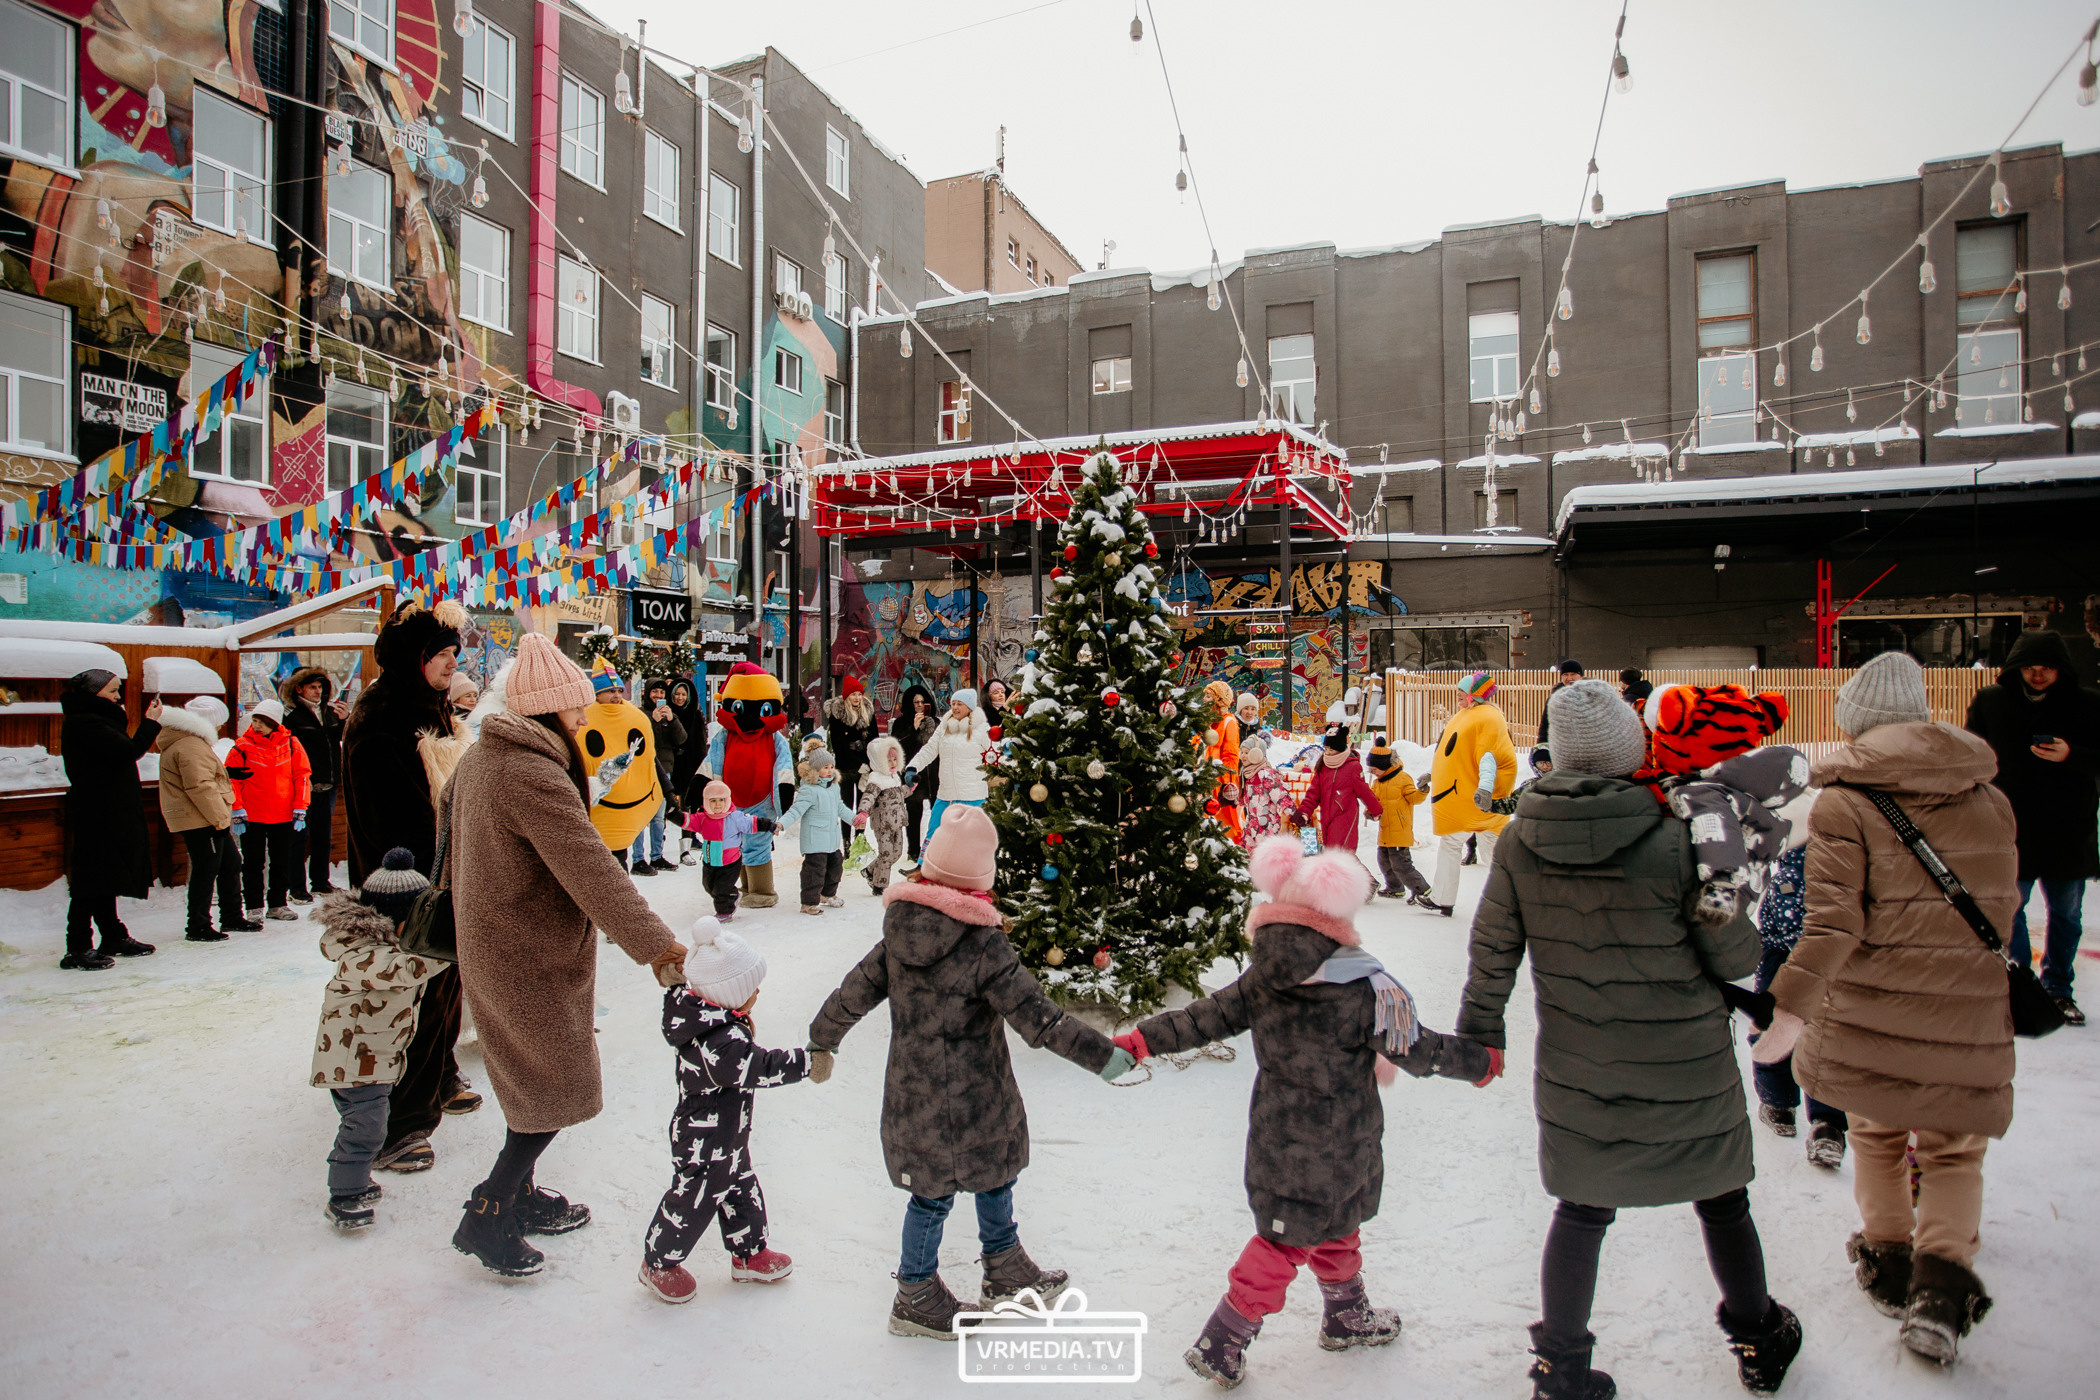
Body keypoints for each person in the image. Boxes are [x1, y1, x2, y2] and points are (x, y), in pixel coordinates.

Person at [1457, 679, 1800, 1399]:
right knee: (1723, 1200)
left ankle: (1561, 1368)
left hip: (1580, 1065)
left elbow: (1493, 947)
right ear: (1630, 750)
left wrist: (1480, 1032)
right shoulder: (1678, 835)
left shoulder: (1519, 840)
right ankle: (1759, 1338)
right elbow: (1734, 956)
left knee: (1582, 1210)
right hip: (1689, 1065)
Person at [1119, 837, 1490, 1387]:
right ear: (1333, 916)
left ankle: (1345, 1314)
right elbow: (1416, 1048)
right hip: (1341, 1137)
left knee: (1332, 1223)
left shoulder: (1263, 978)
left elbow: (1202, 1018)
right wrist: (1477, 1060)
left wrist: (1144, 1039)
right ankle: (1224, 1337)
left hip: (1277, 1131)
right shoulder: (1360, 987)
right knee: (1286, 1240)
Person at [1758, 651, 2017, 1366]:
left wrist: (1788, 1013)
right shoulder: (1990, 798)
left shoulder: (1845, 802)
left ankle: (1890, 1262)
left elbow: (1832, 926)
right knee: (1954, 1151)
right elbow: (2004, 906)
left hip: (1875, 1008)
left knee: (1876, 1135)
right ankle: (1941, 1291)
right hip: (1968, 1009)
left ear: (1858, 724)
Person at [808, 806, 1135, 1339]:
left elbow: (854, 991)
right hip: (977, 1091)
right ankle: (914, 1291)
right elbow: (1039, 1018)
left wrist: (823, 1037)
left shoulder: (900, 930)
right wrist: (1102, 1054)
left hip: (915, 1093)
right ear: (982, 877)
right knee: (962, 1183)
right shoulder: (984, 942)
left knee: (959, 1181)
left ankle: (1003, 1264)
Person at [445, 632, 688, 1278]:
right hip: (525, 951)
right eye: (575, 710)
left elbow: (448, 821)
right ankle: (490, 1212)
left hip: (499, 938)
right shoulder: (529, 770)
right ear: (547, 710)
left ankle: (519, 1195)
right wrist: (658, 946)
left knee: (531, 1080)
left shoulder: (483, 758)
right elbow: (591, 869)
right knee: (555, 1083)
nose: (584, 721)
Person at [342, 599, 475, 1171]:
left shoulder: (432, 709)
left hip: (445, 876)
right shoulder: (383, 718)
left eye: (452, 654)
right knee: (412, 997)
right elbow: (390, 823)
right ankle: (400, 1126)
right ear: (411, 659)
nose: (451, 665)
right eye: (441, 655)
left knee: (446, 988)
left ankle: (437, 1076)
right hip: (405, 885)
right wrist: (413, 891)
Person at [638, 917, 811, 1303]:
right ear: (726, 995)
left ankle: (748, 1254)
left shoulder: (713, 1015)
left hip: (728, 1135)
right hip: (703, 1139)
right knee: (694, 1199)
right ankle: (659, 1261)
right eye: (751, 989)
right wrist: (807, 1062)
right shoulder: (717, 1039)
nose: (757, 994)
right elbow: (758, 1066)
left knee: (741, 1189)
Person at [1963, 629, 2100, 1024]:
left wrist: (2072, 754)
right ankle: (2019, 985)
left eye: (2047, 668)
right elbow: (1972, 751)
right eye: (2030, 667)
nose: (2038, 674)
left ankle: (2058, 989)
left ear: (2062, 670)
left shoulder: (2088, 705)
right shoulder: (1992, 701)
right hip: (2009, 826)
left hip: (2067, 830)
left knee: (2066, 914)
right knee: (2008, 911)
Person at [311, 848, 446, 1231]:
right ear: (395, 920)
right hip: (352, 1061)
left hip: (374, 1058)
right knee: (365, 1127)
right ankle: (344, 1195)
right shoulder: (364, 954)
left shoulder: (387, 945)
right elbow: (411, 969)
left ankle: (356, 1181)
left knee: (370, 1124)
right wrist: (454, 946)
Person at [1745, 814, 1850, 1168]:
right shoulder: (1837, 861)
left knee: (1791, 1032)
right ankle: (1807, 1114)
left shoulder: (1801, 858)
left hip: (1804, 958)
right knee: (1811, 1037)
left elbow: (1785, 916)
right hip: (1814, 958)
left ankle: (1809, 1116)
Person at [56, 670, 161, 968]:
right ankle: (77, 947)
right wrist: (150, 723)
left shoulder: (96, 719)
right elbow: (127, 751)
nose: (118, 697)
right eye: (113, 691)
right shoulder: (86, 722)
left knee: (104, 875)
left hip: (107, 809)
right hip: (97, 811)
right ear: (95, 692)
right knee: (91, 879)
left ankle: (113, 935)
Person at [155, 696, 254, 941]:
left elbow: (201, 776)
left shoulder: (189, 742)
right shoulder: (190, 744)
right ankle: (198, 925)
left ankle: (231, 916)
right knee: (206, 870)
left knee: (230, 864)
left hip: (203, 816)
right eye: (218, 724)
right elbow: (200, 786)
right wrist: (220, 821)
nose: (219, 729)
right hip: (202, 819)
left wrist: (226, 773)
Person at [1425, 671, 1517, 916]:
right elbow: (1453, 755)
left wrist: (1485, 788)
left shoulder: (1486, 717)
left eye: (1462, 693)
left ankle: (1444, 898)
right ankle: (1514, 901)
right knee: (1492, 852)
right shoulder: (1468, 715)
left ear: (1474, 695)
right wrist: (1431, 774)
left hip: (1475, 796)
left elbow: (1488, 756)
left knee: (1461, 845)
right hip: (1471, 795)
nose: (1458, 696)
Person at [229, 700, 312, 923]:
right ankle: (254, 906)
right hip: (251, 816)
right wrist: (237, 808)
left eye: (263, 722)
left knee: (281, 861)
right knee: (253, 862)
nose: (257, 725)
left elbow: (301, 776)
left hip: (283, 815)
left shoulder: (292, 744)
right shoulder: (242, 746)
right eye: (255, 720)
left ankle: (277, 904)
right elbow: (232, 780)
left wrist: (300, 806)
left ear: (274, 723)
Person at [281, 667, 348, 898]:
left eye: (320, 687)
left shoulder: (329, 712)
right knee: (299, 838)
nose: (317, 691)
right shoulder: (292, 717)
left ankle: (321, 882)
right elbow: (288, 751)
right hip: (304, 785)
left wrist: (343, 721)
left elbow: (338, 739)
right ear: (299, 689)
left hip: (328, 783)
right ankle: (297, 887)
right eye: (312, 687)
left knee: (323, 836)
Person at [905, 688, 991, 843]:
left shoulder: (981, 729)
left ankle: (969, 867)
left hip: (972, 795)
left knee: (970, 840)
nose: (955, 707)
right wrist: (913, 767)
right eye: (953, 704)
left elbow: (995, 753)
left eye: (960, 704)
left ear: (969, 707)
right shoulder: (944, 727)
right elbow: (930, 749)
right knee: (934, 833)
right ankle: (923, 866)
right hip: (946, 792)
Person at [1292, 723, 1381, 858]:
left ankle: (1363, 879)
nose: (1327, 752)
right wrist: (1304, 812)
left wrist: (1376, 810)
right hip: (1327, 817)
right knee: (1332, 854)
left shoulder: (1352, 767)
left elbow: (1364, 792)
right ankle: (1357, 878)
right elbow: (1313, 793)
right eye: (1326, 748)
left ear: (1339, 748)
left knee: (1339, 854)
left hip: (1345, 815)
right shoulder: (1323, 765)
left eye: (1331, 749)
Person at [684, 780, 769, 920]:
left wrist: (769, 826)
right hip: (710, 860)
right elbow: (686, 820)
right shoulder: (702, 818)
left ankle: (725, 911)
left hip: (730, 861)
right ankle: (732, 894)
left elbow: (751, 823)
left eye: (721, 800)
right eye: (713, 801)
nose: (718, 804)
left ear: (727, 800)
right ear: (706, 802)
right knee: (709, 886)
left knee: (722, 888)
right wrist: (672, 814)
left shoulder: (734, 817)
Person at [780, 747, 851, 914]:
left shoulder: (833, 788)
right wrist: (781, 824)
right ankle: (809, 902)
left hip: (831, 839)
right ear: (815, 769)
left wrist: (854, 819)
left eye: (831, 767)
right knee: (814, 871)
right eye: (825, 767)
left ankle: (827, 895)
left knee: (836, 867)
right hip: (815, 840)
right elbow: (795, 810)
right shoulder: (808, 790)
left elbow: (840, 807)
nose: (829, 771)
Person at [1364, 739, 1432, 905]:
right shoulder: (1377, 783)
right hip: (1385, 830)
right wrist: (1369, 812)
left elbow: (1414, 798)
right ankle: (1395, 888)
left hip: (1399, 831)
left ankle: (1423, 890)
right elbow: (1374, 802)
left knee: (1402, 865)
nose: (1373, 773)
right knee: (1384, 861)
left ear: (1384, 765)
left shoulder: (1403, 778)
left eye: (1375, 769)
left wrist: (1422, 790)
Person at [630, 676, 686, 876]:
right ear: (648, 693)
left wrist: (672, 720)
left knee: (658, 816)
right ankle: (637, 859)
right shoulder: (640, 714)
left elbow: (682, 739)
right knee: (640, 815)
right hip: (643, 769)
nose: (659, 696)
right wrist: (652, 721)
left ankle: (656, 856)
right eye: (655, 692)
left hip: (665, 770)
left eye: (662, 692)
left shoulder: (669, 715)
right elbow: (639, 741)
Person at [825, 676, 880, 847]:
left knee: (862, 806)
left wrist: (868, 764)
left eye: (859, 694)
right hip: (846, 766)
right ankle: (847, 841)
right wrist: (856, 762)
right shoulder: (838, 715)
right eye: (853, 695)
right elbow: (838, 744)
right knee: (847, 806)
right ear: (846, 697)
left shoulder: (868, 712)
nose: (857, 698)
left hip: (865, 766)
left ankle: (860, 840)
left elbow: (874, 740)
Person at [892, 684, 940, 863]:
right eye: (916, 702)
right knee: (914, 812)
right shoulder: (900, 723)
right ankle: (913, 850)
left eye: (923, 702)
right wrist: (913, 729)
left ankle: (935, 848)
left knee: (937, 813)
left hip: (934, 775)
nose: (919, 705)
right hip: (914, 775)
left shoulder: (936, 722)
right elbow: (898, 748)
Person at [856, 737, 910, 893]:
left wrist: (911, 787)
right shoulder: (876, 779)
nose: (893, 763)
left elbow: (899, 794)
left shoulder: (895, 777)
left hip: (898, 821)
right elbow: (868, 797)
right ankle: (879, 885)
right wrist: (863, 812)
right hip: (883, 823)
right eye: (888, 760)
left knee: (896, 853)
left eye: (895, 759)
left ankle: (870, 870)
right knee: (886, 854)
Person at [666, 677, 709, 861]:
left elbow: (700, 741)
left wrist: (700, 765)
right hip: (671, 764)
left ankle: (688, 839)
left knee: (688, 805)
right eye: (677, 694)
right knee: (668, 806)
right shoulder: (666, 712)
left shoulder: (695, 714)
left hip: (690, 766)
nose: (680, 698)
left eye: (683, 694)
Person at [1201, 679, 1244, 843]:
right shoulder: (1208, 722)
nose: (1204, 699)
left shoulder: (1229, 721)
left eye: (1208, 696)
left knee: (1225, 825)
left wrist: (1227, 783)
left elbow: (1231, 756)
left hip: (1220, 785)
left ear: (1219, 700)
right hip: (1205, 782)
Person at [1237, 740, 1291, 851]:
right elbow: (1244, 800)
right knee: (1248, 853)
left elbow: (1281, 796)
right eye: (1242, 752)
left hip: (1268, 826)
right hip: (1252, 824)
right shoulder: (1246, 774)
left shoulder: (1265, 774)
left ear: (1257, 754)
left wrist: (1294, 814)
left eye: (1247, 753)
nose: (1243, 756)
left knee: (1265, 854)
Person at [1537, 660, 1584, 747]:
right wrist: (1541, 747)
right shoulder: (1555, 698)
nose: (1569, 678)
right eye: (1566, 675)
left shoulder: (1590, 696)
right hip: (1561, 748)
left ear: (1580, 676)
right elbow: (1545, 726)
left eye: (1573, 674)